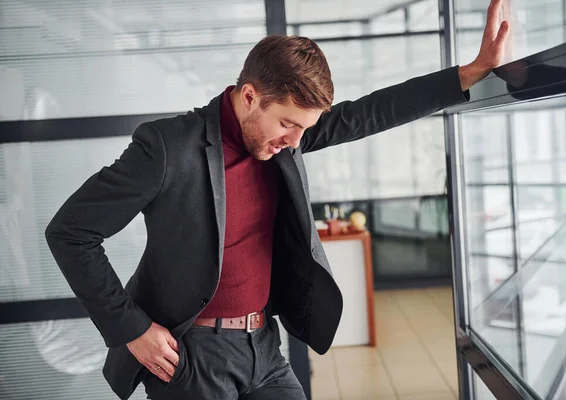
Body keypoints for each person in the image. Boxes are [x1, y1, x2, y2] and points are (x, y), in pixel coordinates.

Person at [45, 0, 510, 399]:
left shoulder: (286, 135)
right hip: (192, 357)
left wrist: (471, 72)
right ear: (249, 97)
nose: (294, 141)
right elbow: (70, 233)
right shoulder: (167, 147)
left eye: (303, 129)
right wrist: (132, 330)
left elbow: (370, 112)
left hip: (264, 345)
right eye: (288, 124)